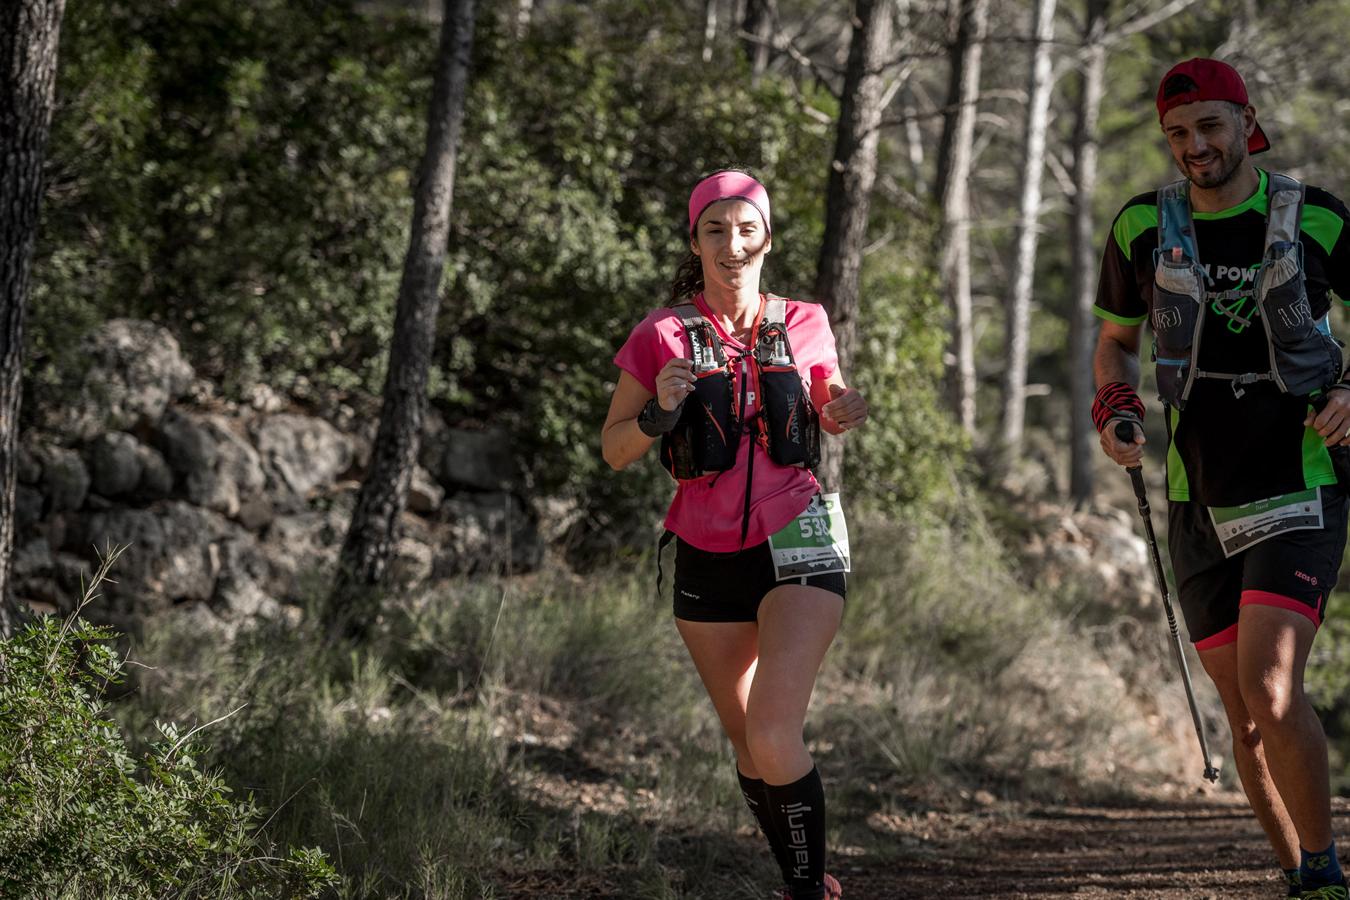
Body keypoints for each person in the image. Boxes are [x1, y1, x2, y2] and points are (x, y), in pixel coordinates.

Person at [1093, 58, 1350, 900]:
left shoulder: (1315, 218)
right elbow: (1116, 343)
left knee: (1272, 693)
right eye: (1176, 133)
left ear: (1246, 121)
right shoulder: (1140, 226)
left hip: (1298, 482)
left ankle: (1324, 874)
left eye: (1209, 126)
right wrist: (1114, 410)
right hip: (1193, 494)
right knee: (1243, 718)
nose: (1194, 146)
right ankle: (1295, 876)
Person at [601, 169, 866, 899]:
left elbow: (828, 392)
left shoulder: (805, 318)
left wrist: (842, 407)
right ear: (695, 240)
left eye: (746, 227)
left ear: (767, 238)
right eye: (715, 229)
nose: (732, 243)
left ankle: (807, 893)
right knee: (751, 746)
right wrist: (657, 411)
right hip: (706, 551)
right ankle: (800, 878)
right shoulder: (660, 333)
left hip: (802, 534)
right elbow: (614, 447)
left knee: (775, 734)